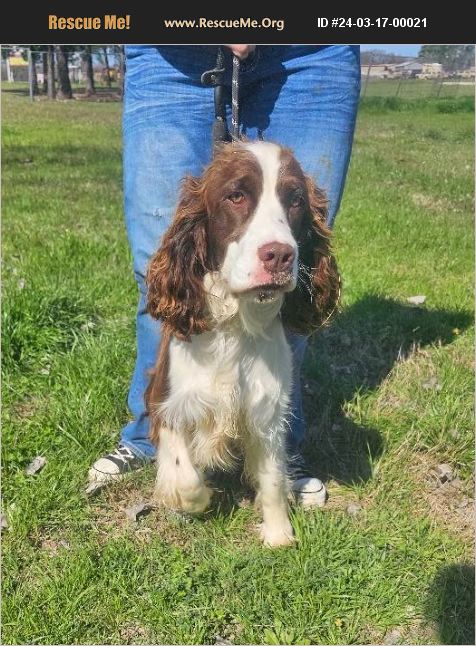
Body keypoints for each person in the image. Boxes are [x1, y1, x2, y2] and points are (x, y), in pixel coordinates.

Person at [88, 44, 361, 506]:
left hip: (315, 46)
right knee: (164, 263)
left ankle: (271, 447)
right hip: (171, 45)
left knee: (287, 266)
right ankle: (154, 436)